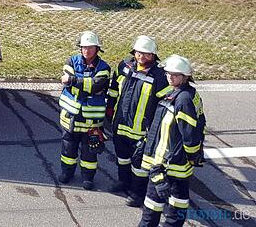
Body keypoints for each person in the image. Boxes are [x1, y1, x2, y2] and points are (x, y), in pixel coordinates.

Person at [137, 55, 206, 227]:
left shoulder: (183, 100)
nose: (170, 77)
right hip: (173, 164)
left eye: (174, 75)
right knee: (173, 209)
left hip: (170, 165)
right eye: (168, 73)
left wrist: (192, 156)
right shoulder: (179, 93)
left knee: (156, 211)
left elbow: (190, 135)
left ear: (185, 76)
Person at [108, 36, 171, 206]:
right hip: (120, 125)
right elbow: (114, 90)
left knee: (139, 165)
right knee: (122, 158)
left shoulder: (160, 76)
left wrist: (154, 131)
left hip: (142, 132)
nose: (141, 57)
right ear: (133, 52)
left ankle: (137, 194)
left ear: (153, 55)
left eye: (146, 54)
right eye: (138, 53)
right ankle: (123, 182)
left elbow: (163, 107)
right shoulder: (124, 66)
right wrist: (109, 111)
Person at [58, 30, 111, 190]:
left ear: (97, 49)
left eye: (90, 47)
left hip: (91, 122)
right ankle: (67, 173)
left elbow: (96, 85)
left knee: (89, 153)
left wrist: (75, 81)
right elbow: (83, 85)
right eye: (84, 47)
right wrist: (87, 85)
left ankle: (88, 178)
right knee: (68, 150)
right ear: (80, 48)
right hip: (70, 118)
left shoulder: (104, 68)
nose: (87, 50)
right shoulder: (71, 61)